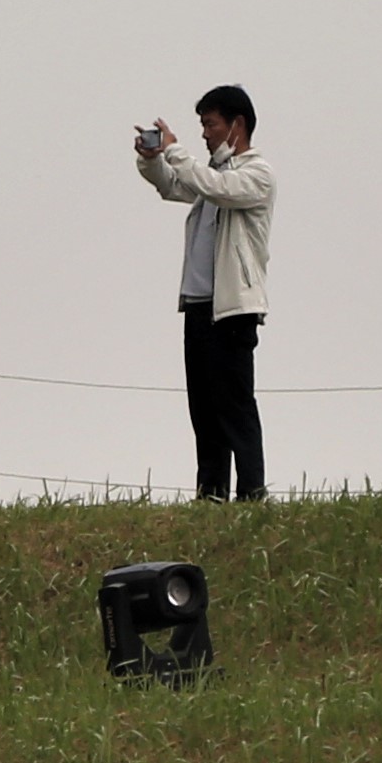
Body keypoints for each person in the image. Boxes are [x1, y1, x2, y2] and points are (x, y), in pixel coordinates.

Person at [133, 85, 277, 501]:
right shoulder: (213, 174)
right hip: (199, 307)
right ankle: (211, 493)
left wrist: (175, 152)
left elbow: (217, 187)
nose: (204, 134)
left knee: (235, 405)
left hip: (232, 310)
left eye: (210, 124)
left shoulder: (256, 174)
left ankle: (251, 493)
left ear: (237, 125)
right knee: (204, 407)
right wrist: (153, 159)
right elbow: (173, 185)